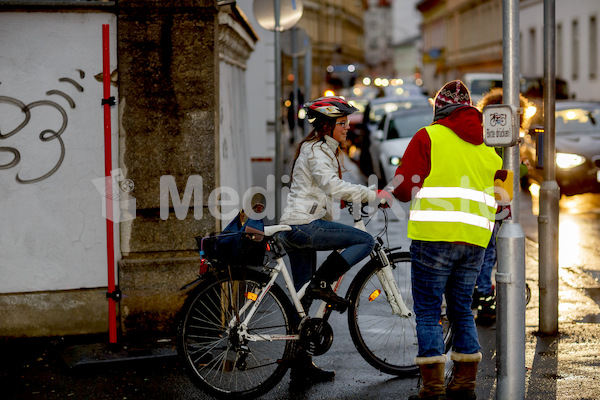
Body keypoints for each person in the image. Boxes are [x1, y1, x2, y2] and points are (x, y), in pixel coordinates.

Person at [391, 80, 502, 400]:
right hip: (475, 239)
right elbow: (503, 194)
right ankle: (464, 383)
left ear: (439, 108)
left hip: (434, 237)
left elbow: (404, 187)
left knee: (428, 312)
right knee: (462, 310)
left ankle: (433, 387)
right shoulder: (488, 146)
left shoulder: (429, 136)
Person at [277, 96, 391, 390]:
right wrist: (371, 194)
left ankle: (300, 368)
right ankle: (323, 283)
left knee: (303, 305)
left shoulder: (321, 150)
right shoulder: (317, 151)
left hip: (299, 225)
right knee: (364, 241)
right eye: (343, 123)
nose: (347, 128)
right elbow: (330, 184)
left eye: (347, 123)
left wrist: (346, 198)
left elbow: (322, 187)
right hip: (305, 227)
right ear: (328, 125)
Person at [473, 88, 535, 325]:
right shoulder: (505, 141)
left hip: (484, 203)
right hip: (496, 205)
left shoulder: (484, 136)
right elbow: (510, 172)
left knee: (486, 252)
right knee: (489, 253)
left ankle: (482, 296)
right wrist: (524, 165)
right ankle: (485, 300)